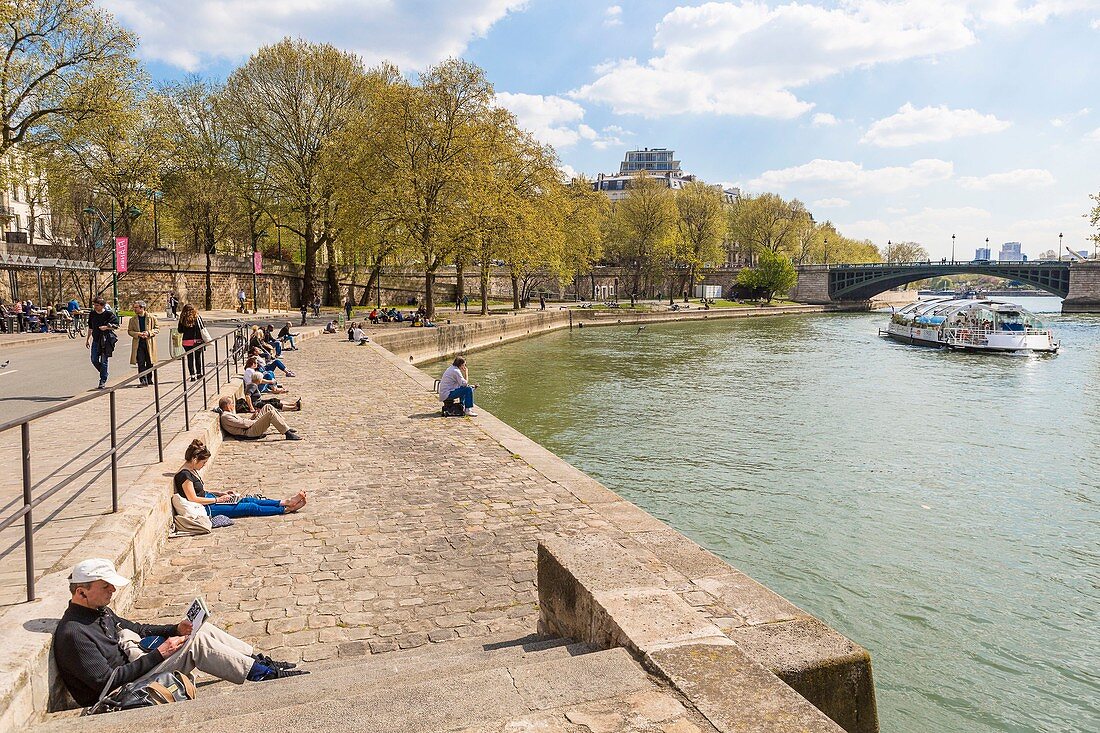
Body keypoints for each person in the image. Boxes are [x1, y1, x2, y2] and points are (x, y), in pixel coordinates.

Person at [53, 558, 305, 708]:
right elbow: (105, 682)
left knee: (200, 628)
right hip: (122, 690)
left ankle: (258, 661)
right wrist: (160, 654)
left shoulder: (98, 610)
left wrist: (174, 629)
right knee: (198, 644)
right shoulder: (74, 633)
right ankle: (264, 674)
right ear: (81, 592)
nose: (112, 591)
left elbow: (137, 628)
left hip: (136, 664)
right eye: (105, 586)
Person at [175, 440, 305, 519]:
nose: (204, 465)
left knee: (249, 499)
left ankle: (285, 502)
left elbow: (199, 490)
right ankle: (286, 509)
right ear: (194, 459)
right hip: (208, 507)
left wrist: (220, 493)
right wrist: (217, 499)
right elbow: (193, 498)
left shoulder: (191, 470)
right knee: (251, 507)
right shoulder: (184, 475)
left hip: (211, 499)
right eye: (203, 462)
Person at [218, 396, 302, 440]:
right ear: (227, 405)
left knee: (267, 406)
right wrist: (257, 421)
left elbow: (242, 423)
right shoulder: (226, 416)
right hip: (248, 433)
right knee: (270, 414)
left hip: (249, 426)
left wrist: (253, 418)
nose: (233, 405)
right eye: (232, 403)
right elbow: (243, 424)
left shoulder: (228, 414)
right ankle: (288, 434)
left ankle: (285, 427)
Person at [85, 298, 119, 389]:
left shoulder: (108, 314)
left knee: (104, 361)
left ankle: (102, 380)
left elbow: (116, 325)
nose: (95, 307)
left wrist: (106, 327)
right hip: (96, 339)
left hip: (106, 340)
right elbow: (90, 327)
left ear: (102, 306)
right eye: (94, 305)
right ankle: (104, 372)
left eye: (97, 305)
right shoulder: (92, 314)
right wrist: (88, 339)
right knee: (94, 359)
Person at [127, 301, 159, 387]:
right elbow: (130, 331)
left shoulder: (152, 318)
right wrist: (138, 334)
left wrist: (149, 333)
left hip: (149, 343)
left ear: (142, 308)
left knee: (149, 362)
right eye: (134, 307)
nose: (134, 309)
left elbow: (157, 329)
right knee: (140, 362)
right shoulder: (132, 320)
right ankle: (143, 380)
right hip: (138, 344)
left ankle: (149, 379)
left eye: (136, 307)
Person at [177, 304, 205, 381]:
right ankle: (199, 373)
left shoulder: (182, 318)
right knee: (197, 357)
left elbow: (180, 330)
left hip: (186, 341)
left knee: (190, 358)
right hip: (197, 341)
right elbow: (202, 328)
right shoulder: (197, 317)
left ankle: (192, 375)